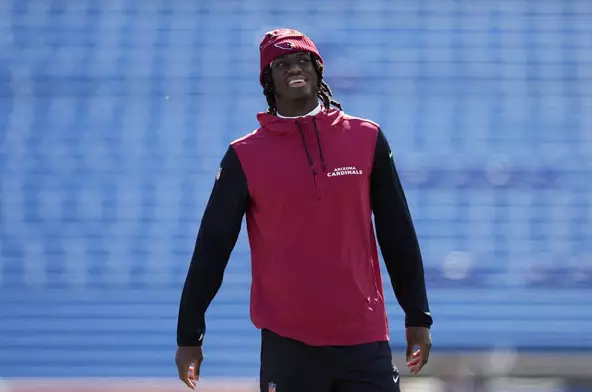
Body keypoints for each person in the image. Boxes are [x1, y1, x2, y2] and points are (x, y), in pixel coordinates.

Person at [175, 28, 433, 392]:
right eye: (282, 64)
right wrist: (190, 335)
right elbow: (212, 247)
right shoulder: (244, 156)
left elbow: (398, 233)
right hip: (288, 344)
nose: (295, 68)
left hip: (364, 338)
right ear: (269, 79)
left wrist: (418, 317)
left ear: (318, 70)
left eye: (303, 61)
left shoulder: (366, 138)